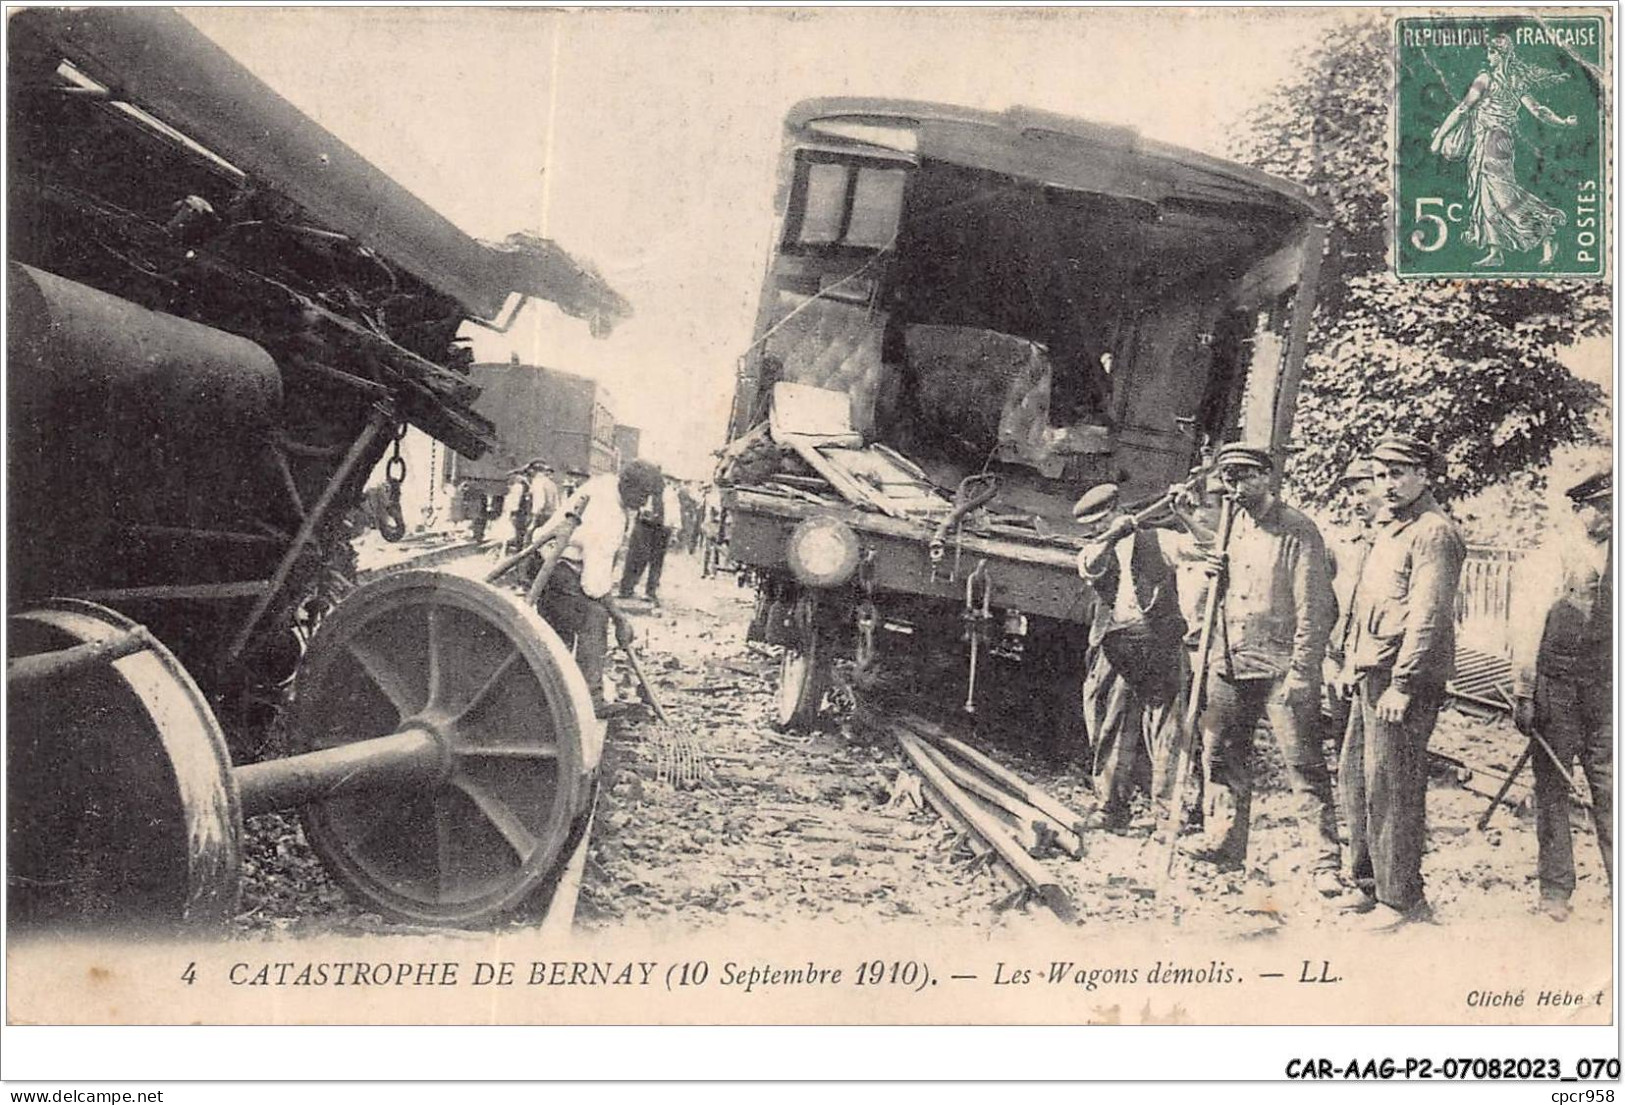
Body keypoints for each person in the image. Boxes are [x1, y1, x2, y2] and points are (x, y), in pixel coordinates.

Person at [1189, 444, 1341, 895]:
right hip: (1231, 660)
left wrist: (1302, 671)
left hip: (1281, 668)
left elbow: (1315, 609)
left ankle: (1323, 861)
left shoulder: (1298, 530)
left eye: (1244, 477)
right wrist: (1215, 569)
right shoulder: (1231, 525)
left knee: (1304, 766)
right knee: (1220, 755)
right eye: (1229, 479)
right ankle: (1225, 843)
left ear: (1267, 478)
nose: (1235, 488)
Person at [1339, 435, 1466, 929]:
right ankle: (1368, 884)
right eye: (1381, 474)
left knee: (1393, 786)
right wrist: (1351, 660)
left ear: (1424, 476)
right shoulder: (1390, 529)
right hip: (1371, 669)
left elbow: (1428, 615)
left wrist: (1405, 683)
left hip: (1400, 680)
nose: (1387, 484)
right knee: (1358, 779)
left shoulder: (1434, 532)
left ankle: (1401, 898)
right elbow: (1369, 603)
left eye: (1399, 473)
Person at [1511, 467, 1612, 921]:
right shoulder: (1549, 556)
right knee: (1553, 789)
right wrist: (1525, 693)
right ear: (1579, 510)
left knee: (1612, 789)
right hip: (1556, 689)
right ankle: (1555, 893)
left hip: (1607, 692)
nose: (1612, 515)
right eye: (1604, 507)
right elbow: (1527, 626)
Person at [1073, 484, 1189, 832]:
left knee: (1168, 727)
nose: (1097, 528)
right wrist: (1110, 536)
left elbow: (1203, 551)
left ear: (1116, 509)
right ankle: (1110, 807)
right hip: (1117, 643)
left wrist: (1184, 510)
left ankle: (1167, 814)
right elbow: (1090, 565)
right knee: (1111, 720)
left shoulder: (1160, 540)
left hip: (1158, 640)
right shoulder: (1095, 549)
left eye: (1103, 520)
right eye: (1093, 526)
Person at [1428, 34, 1578, 268]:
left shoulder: (1485, 79)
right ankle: (1495, 251)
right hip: (1496, 140)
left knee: (1501, 192)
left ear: (1501, 55)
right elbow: (1538, 110)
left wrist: (1439, 138)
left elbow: (1462, 109)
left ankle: (1546, 230)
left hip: (1491, 140)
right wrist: (1562, 122)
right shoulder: (1516, 81)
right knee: (1486, 194)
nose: (1488, 57)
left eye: (1492, 53)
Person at [535, 459, 663, 719]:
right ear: (628, 486)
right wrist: (619, 618)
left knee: (561, 634)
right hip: (555, 565)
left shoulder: (608, 486)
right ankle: (590, 699)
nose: (645, 503)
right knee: (595, 617)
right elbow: (594, 585)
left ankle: (553, 697)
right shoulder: (609, 515)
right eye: (643, 495)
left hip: (554, 561)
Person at [1325, 457, 1383, 901]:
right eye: (1351, 491)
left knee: (1374, 773)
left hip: (1378, 671)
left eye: (1363, 489)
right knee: (1349, 771)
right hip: (1340, 666)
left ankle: (1373, 876)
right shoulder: (1341, 543)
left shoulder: (1396, 542)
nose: (1355, 499)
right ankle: (1359, 868)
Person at [620, 472, 680, 605]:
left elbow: (674, 512)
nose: (665, 482)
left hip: (662, 529)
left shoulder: (670, 493)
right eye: (664, 479)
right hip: (644, 526)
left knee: (656, 561)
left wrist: (674, 531)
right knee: (636, 557)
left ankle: (650, 592)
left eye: (668, 480)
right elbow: (635, 506)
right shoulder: (646, 490)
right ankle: (626, 588)